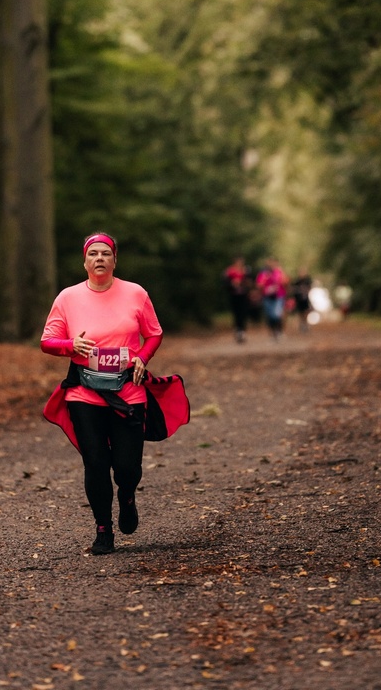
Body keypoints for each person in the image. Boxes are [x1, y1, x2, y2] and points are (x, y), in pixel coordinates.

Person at [41, 232, 190, 556]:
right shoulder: (68, 298)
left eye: (105, 253)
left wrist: (142, 357)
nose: (99, 258)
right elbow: (47, 341)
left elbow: (154, 334)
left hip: (128, 390)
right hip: (84, 391)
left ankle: (127, 494)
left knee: (127, 467)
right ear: (84, 261)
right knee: (95, 462)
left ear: (114, 260)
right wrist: (71, 345)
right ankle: (103, 529)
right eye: (93, 253)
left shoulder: (135, 293)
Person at [222, 255, 253, 342]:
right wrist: (232, 284)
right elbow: (225, 282)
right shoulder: (229, 271)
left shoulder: (246, 270)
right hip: (234, 295)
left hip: (244, 295)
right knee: (236, 313)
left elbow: (250, 282)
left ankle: (242, 331)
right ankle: (238, 329)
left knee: (243, 313)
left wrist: (243, 283)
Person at [255, 257, 288, 337]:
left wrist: (281, 273)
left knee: (277, 314)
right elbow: (259, 285)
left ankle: (279, 330)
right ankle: (273, 332)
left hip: (279, 296)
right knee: (270, 315)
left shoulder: (279, 272)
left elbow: (286, 282)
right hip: (267, 297)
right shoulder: (263, 273)